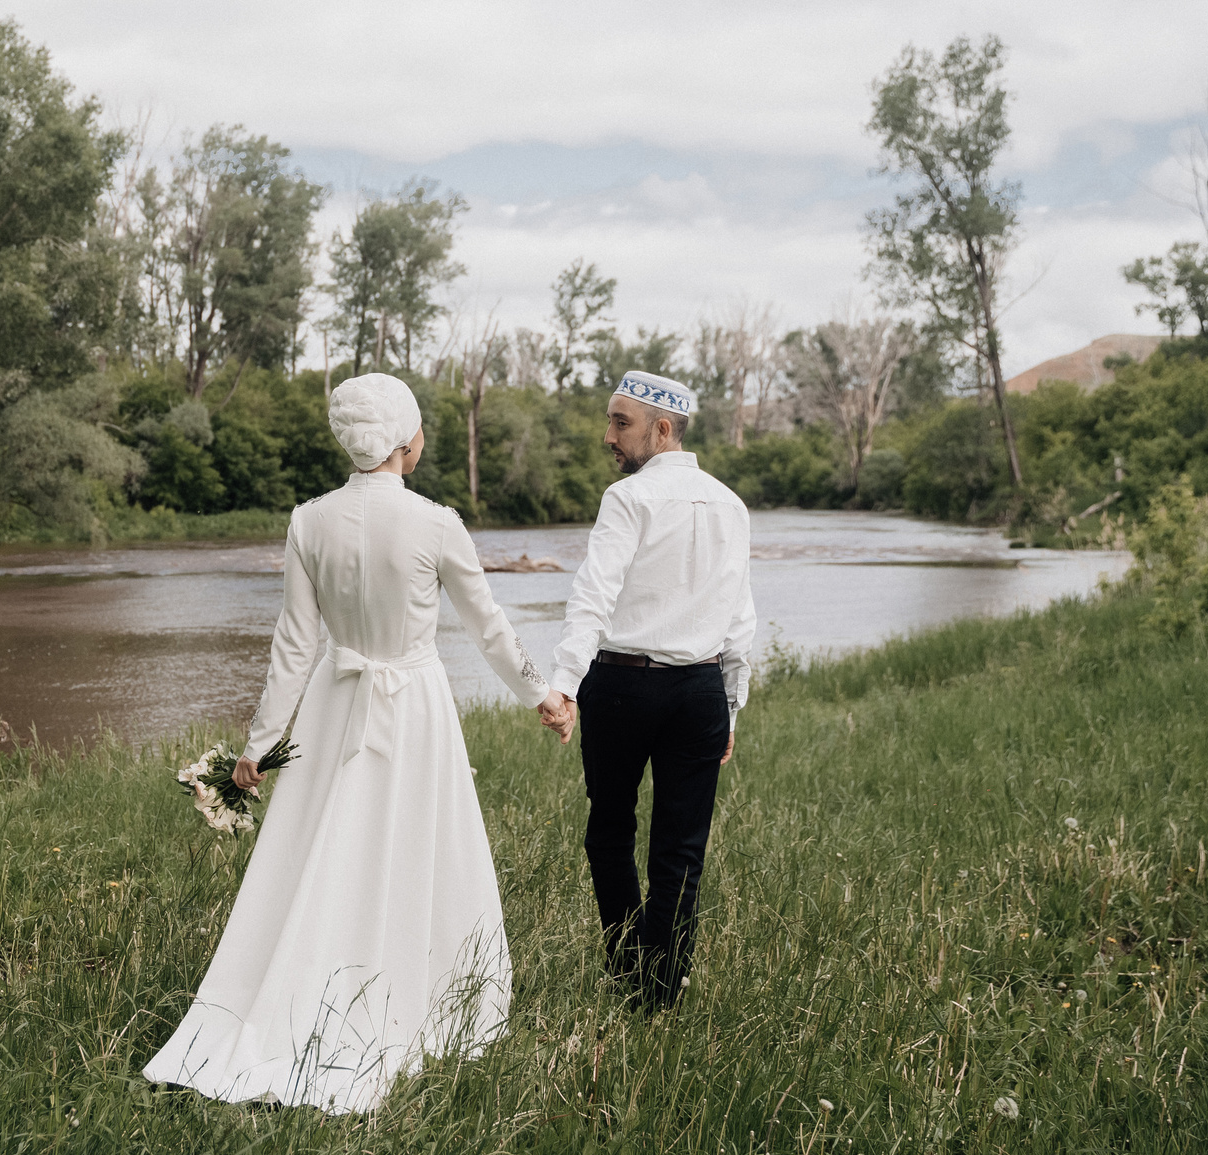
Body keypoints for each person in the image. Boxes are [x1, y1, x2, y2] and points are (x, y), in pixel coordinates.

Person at [142, 373, 554, 1113]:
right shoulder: (437, 522)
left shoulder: (309, 521)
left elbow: (295, 645)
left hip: (334, 704)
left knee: (323, 848)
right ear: (404, 440)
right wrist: (542, 693)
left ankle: (307, 984)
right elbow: (488, 626)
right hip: (414, 705)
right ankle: (419, 994)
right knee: (416, 845)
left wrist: (259, 744)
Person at [539, 369, 755, 1011]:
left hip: (622, 688)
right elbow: (740, 618)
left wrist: (566, 684)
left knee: (609, 832)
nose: (609, 436)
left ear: (662, 428)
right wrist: (731, 705)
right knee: (681, 849)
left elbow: (592, 596)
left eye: (620, 422)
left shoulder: (627, 498)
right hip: (700, 692)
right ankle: (659, 991)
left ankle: (629, 973)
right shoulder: (731, 504)